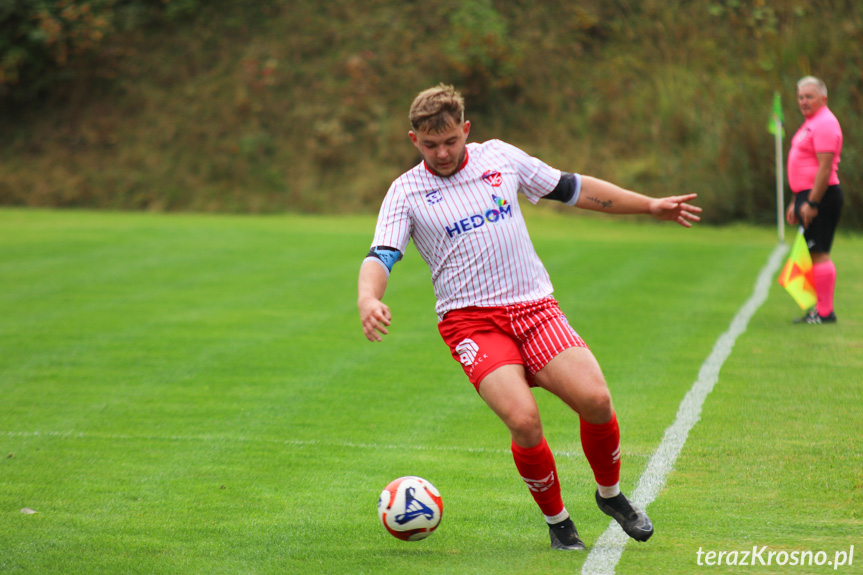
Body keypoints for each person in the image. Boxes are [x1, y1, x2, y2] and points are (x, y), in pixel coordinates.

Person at [357, 84, 701, 550]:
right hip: (471, 323)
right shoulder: (406, 192)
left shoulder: (499, 158)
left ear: (466, 130)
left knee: (596, 400)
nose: (442, 152)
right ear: (413, 140)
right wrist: (368, 297)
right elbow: (381, 255)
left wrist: (648, 205)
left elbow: (573, 188)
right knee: (524, 420)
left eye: (451, 141)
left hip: (534, 308)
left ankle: (611, 496)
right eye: (430, 144)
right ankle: (560, 524)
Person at [785, 75, 844, 324]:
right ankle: (819, 309)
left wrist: (812, 203)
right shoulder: (810, 123)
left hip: (821, 196)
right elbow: (803, 164)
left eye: (809, 96)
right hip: (806, 195)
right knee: (812, 251)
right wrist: (795, 200)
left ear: (823, 98)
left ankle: (825, 312)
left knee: (819, 252)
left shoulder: (825, 123)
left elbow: (824, 167)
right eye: (800, 97)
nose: (803, 101)